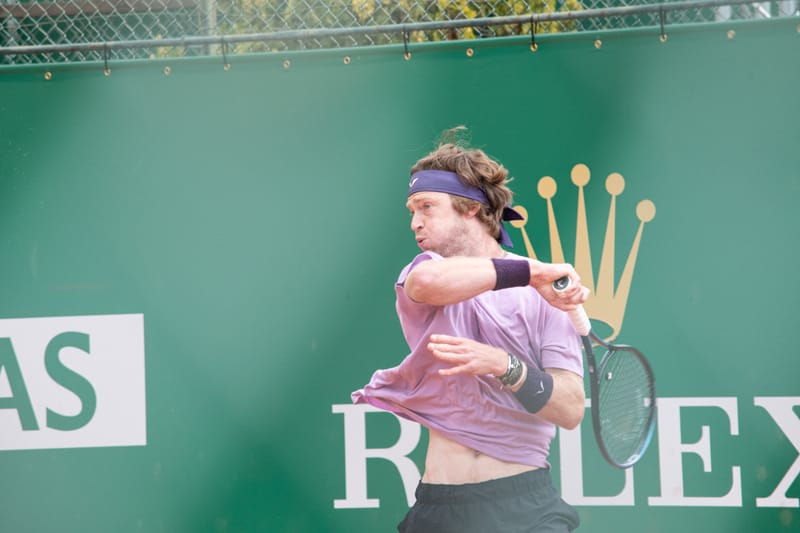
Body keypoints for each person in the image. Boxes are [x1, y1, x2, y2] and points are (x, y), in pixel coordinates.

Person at [352, 131, 590, 533]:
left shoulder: (544, 298)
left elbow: (569, 409)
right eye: (411, 210)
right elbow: (428, 284)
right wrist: (533, 273)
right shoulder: (424, 273)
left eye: (426, 206)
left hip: (524, 507)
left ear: (470, 208)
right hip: (439, 509)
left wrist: (505, 365)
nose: (415, 222)